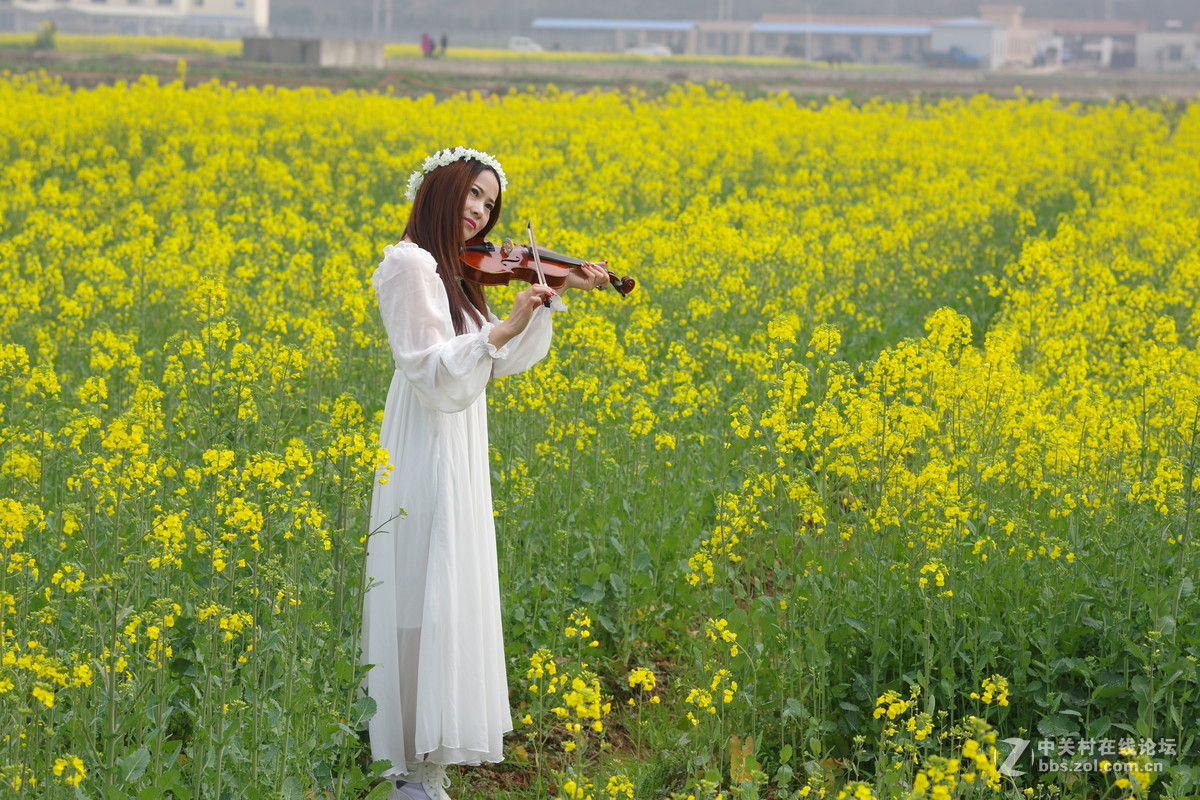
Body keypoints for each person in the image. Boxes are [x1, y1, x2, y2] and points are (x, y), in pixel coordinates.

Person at [361, 147, 609, 800]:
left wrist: (540, 307)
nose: (480, 211)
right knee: (424, 585)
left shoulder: (460, 272)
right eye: (472, 194)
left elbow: (493, 364)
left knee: (449, 587)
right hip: (424, 436)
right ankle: (407, 772)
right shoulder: (409, 263)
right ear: (441, 189)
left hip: (458, 436)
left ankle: (428, 771)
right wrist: (501, 328)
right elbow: (429, 367)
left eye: (490, 203)